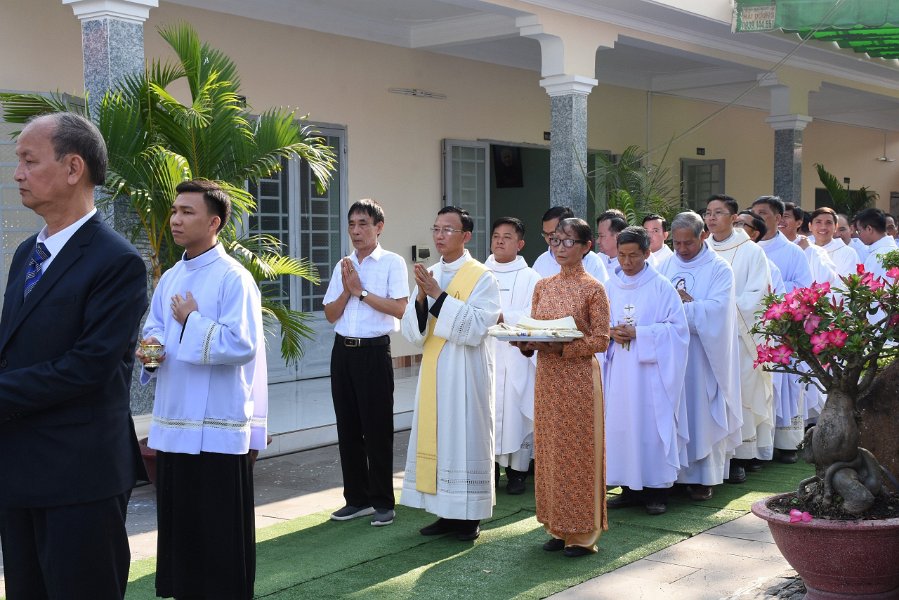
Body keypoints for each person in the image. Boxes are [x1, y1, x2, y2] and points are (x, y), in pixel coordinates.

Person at [0, 112, 148, 599]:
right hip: (18, 468)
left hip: (79, 474)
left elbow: (89, 366)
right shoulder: (27, 253)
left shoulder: (117, 261)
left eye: (29, 160)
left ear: (72, 168)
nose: (17, 173)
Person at [138, 179, 268, 599]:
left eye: (187, 212)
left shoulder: (235, 278)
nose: (175, 219)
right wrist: (150, 350)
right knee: (183, 533)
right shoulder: (171, 278)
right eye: (175, 211)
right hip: (175, 422)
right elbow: (156, 328)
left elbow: (242, 345)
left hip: (216, 429)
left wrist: (192, 321)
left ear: (214, 223)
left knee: (218, 536)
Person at [400, 206, 501, 542]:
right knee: (440, 437)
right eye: (436, 229)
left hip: (466, 372)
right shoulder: (430, 273)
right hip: (434, 372)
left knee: (465, 437)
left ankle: (469, 517)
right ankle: (444, 511)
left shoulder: (482, 276)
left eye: (448, 230)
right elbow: (413, 331)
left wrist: (436, 295)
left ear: (466, 236)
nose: (439, 236)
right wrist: (420, 299)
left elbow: (477, 327)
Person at [513, 217, 610, 557]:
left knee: (578, 452)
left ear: (586, 247)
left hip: (579, 378)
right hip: (548, 377)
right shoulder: (543, 286)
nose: (560, 247)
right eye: (555, 240)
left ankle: (582, 534)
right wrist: (526, 343)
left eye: (568, 241)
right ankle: (556, 526)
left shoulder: (594, 289)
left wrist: (563, 349)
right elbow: (535, 329)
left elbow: (601, 339)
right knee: (550, 450)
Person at [323, 199, 409, 527]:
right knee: (347, 427)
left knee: (377, 428)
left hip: (373, 351)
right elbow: (331, 314)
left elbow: (400, 308)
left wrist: (360, 293)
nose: (356, 231)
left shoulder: (392, 262)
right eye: (352, 224)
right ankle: (356, 500)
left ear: (379, 227)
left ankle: (383, 502)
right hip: (342, 352)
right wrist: (348, 291)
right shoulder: (343, 265)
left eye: (363, 224)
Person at [604, 227, 689, 515]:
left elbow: (678, 331)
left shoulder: (661, 286)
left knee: (650, 426)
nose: (627, 262)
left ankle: (657, 491)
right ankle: (628, 489)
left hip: (651, 374)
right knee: (621, 425)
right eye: (622, 255)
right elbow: (598, 325)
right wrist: (610, 333)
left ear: (647, 253)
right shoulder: (609, 286)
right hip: (618, 370)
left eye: (633, 256)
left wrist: (640, 333)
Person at [659, 212, 742, 501]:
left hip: (703, 357)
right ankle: (671, 475)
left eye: (688, 243)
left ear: (703, 236)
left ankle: (703, 477)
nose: (682, 249)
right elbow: (654, 305)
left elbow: (717, 312)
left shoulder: (719, 269)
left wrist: (678, 308)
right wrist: (681, 305)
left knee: (701, 413)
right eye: (677, 243)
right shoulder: (663, 265)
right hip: (671, 355)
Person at [704, 194, 773, 483]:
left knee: (741, 389)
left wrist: (722, 312)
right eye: (708, 212)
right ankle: (711, 454)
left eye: (718, 212)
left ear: (734, 218)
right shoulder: (700, 248)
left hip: (738, 335)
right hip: (705, 335)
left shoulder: (751, 252)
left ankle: (741, 456)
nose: (711, 217)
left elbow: (758, 295)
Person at [485, 217, 541, 495]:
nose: (500, 241)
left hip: (516, 354)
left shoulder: (531, 278)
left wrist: (502, 317)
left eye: (507, 237)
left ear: (520, 244)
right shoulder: (479, 273)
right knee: (486, 412)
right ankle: (489, 471)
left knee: (516, 412)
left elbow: (535, 313)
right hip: (485, 352)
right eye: (496, 236)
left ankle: (517, 472)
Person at [533, 206, 608, 283]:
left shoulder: (592, 261)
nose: (549, 238)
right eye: (546, 234)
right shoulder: (541, 261)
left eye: (553, 233)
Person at [811, 207, 859, 278]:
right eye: (818, 222)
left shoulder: (848, 253)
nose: (823, 227)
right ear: (810, 226)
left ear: (836, 227)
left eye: (828, 222)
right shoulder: (805, 251)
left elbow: (849, 282)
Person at [596, 210, 628, 274]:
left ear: (618, 237)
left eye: (602, 236)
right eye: (598, 236)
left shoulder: (632, 266)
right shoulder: (596, 260)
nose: (597, 241)